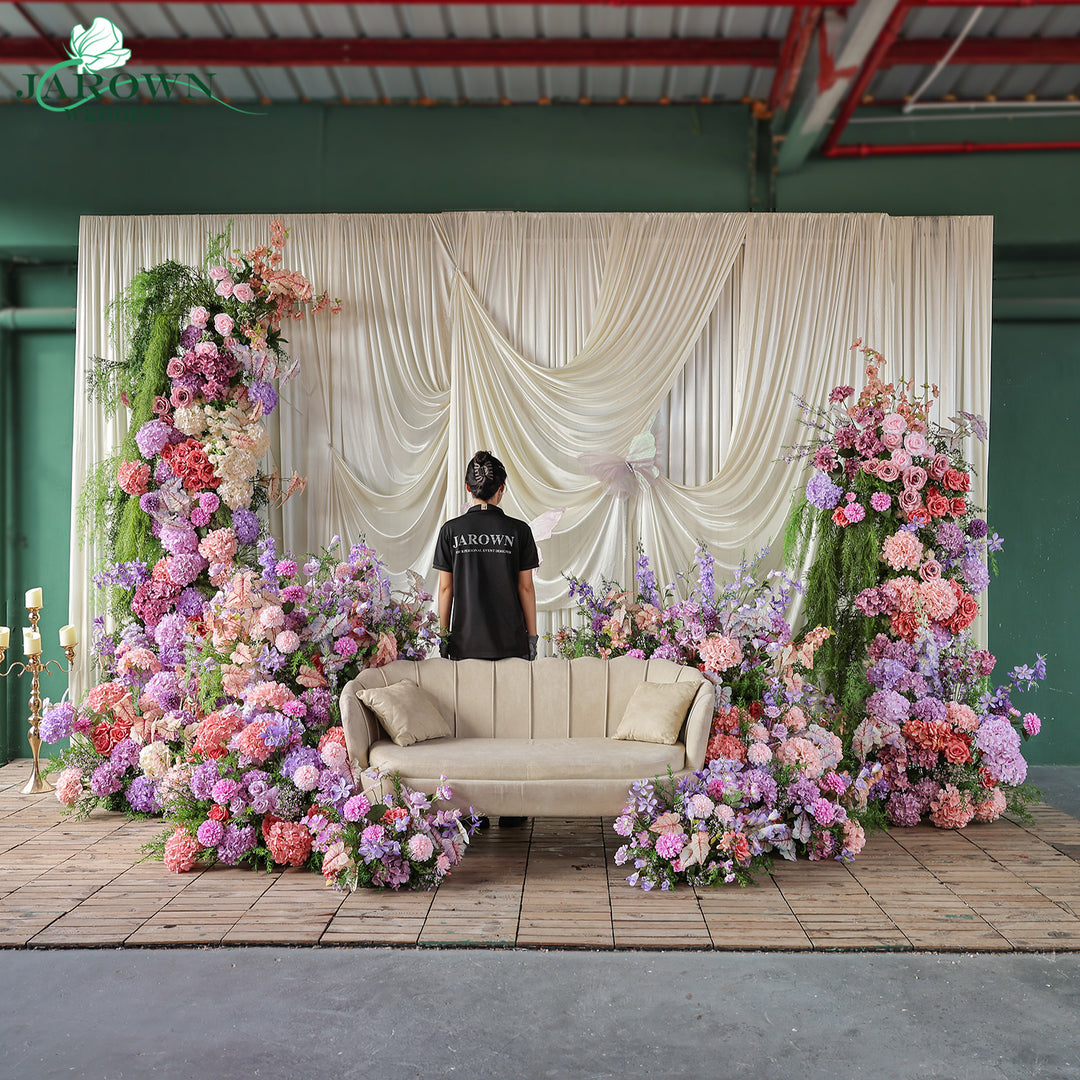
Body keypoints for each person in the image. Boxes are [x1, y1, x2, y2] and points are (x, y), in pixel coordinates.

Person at [433, 450, 539, 830]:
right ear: (502, 490)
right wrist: (532, 638)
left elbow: (445, 590)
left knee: (469, 730)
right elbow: (526, 588)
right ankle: (510, 809)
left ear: (468, 488)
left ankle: (468, 811)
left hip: (464, 643)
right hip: (510, 642)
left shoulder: (450, 531)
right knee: (509, 726)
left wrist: (444, 636)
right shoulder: (519, 532)